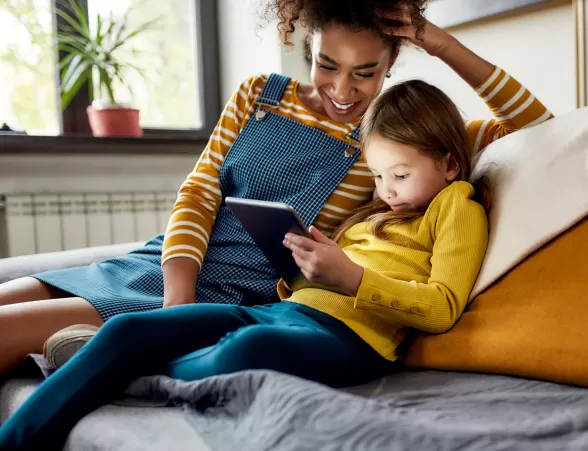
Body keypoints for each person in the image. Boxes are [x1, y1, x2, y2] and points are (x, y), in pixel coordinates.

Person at [0, 0, 553, 375]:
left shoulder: (400, 142)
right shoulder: (261, 92)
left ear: (391, 64)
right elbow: (198, 193)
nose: (342, 88)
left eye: (365, 72)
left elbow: (537, 124)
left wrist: (438, 41)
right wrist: (177, 307)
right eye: (327, 64)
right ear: (306, 49)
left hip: (237, 295)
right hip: (171, 269)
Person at [0, 79, 489, 450]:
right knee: (132, 328)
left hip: (352, 338)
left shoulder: (457, 206)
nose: (387, 190)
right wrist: (305, 263)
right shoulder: (374, 214)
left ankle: (121, 372)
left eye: (400, 175)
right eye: (379, 175)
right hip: (286, 309)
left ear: (448, 163)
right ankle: (18, 438)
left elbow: (443, 307)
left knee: (247, 347)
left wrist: (351, 276)